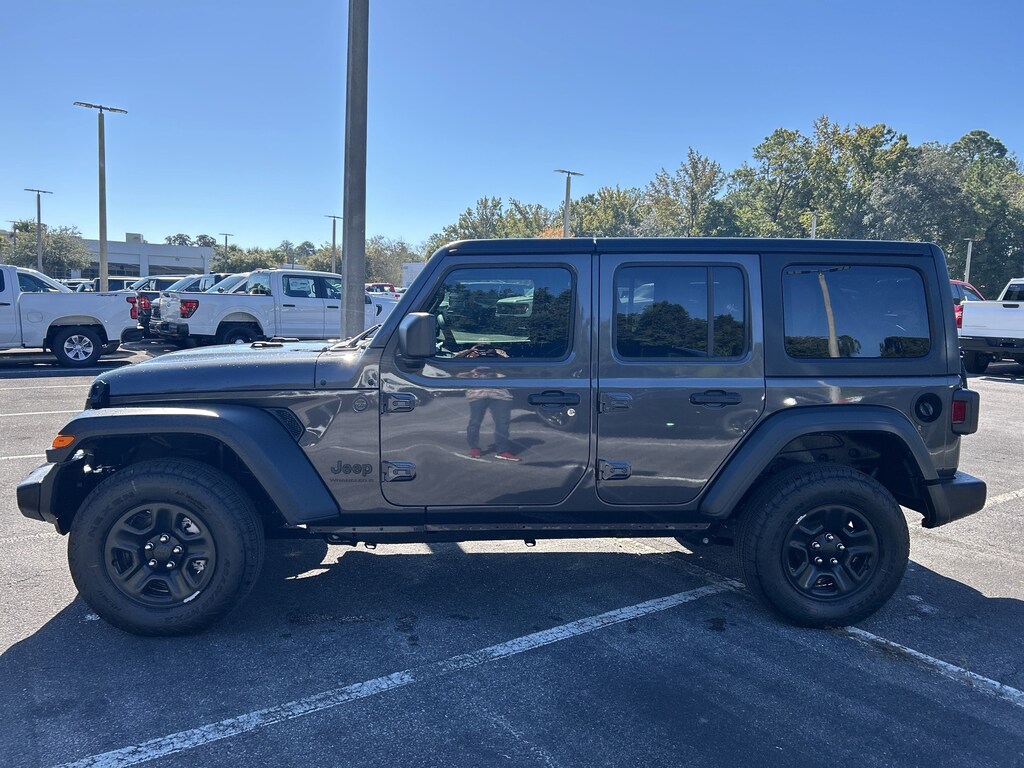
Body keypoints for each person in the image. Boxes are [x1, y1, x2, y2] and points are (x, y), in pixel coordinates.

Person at [457, 349, 519, 461]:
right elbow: (455, 362)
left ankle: (502, 450)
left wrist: (495, 352)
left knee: (502, 422)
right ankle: (474, 448)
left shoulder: (499, 354)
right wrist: (471, 350)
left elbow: (512, 365)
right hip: (477, 393)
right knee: (475, 421)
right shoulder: (470, 355)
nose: (484, 349)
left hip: (500, 393)